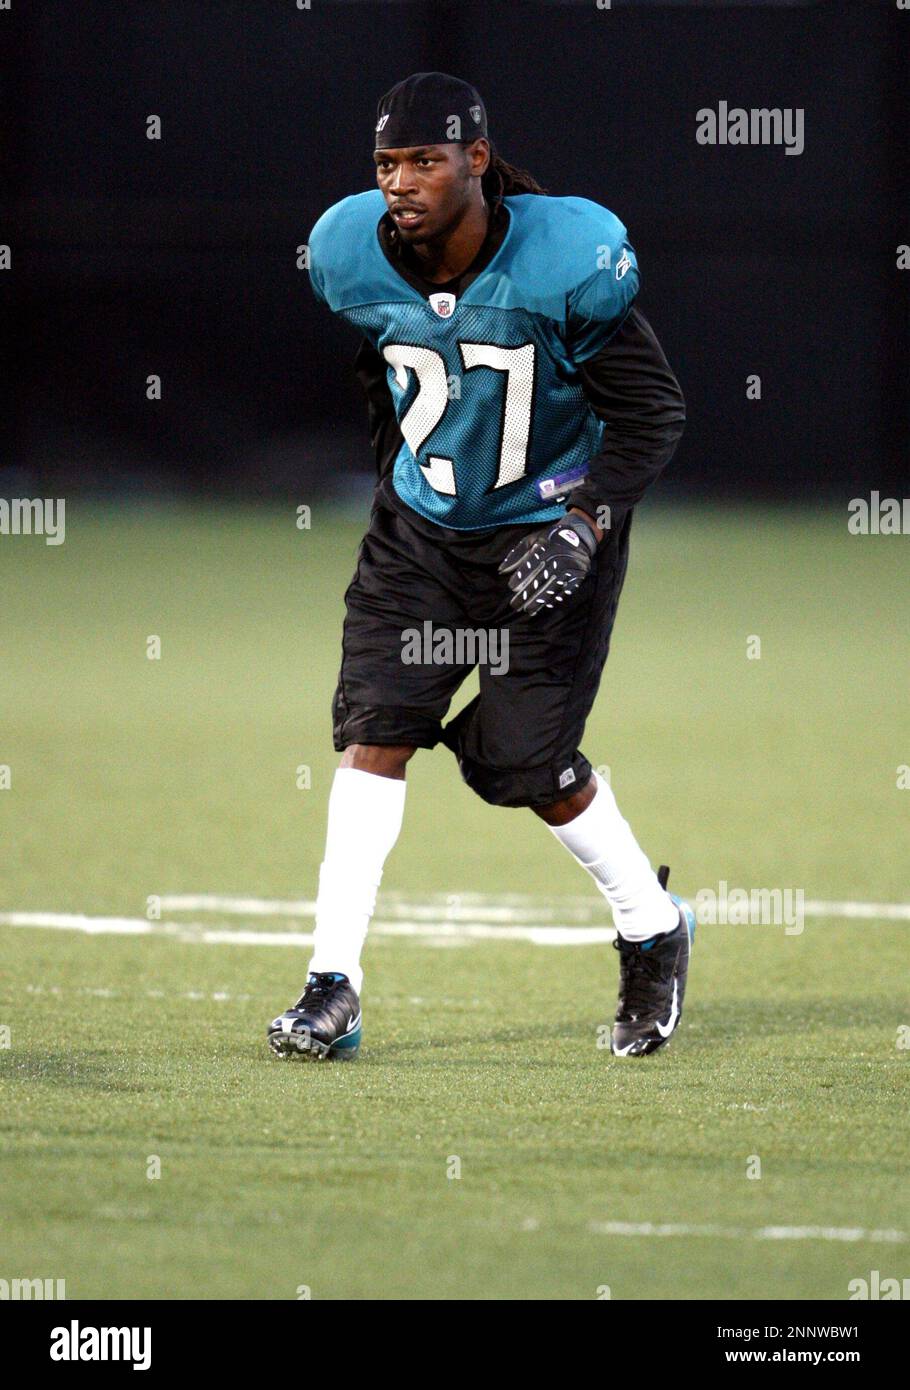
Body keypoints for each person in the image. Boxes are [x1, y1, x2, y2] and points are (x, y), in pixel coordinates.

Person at [268, 71, 693, 1062]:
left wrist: (585, 525)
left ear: (476, 162)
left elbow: (652, 411)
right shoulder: (346, 252)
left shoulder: (563, 259)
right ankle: (331, 985)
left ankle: (651, 925)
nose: (402, 181)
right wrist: (406, 493)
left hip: (545, 534)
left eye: (423, 159)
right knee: (377, 729)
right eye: (386, 163)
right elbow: (387, 381)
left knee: (522, 766)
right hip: (422, 535)